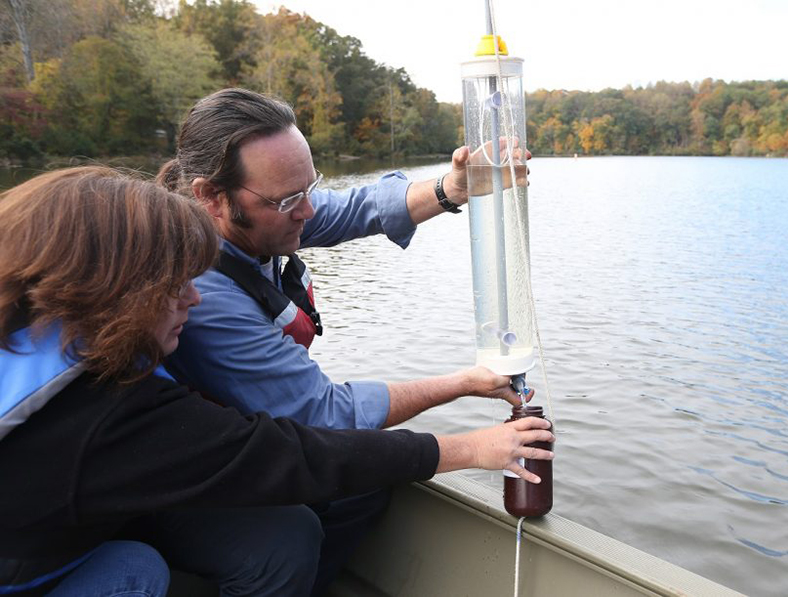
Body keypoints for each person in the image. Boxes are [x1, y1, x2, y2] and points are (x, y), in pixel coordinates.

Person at [0, 167, 554, 596]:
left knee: (283, 537)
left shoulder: (40, 323)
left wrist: (446, 188)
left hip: (82, 511)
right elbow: (291, 452)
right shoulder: (98, 413)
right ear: (109, 292)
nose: (192, 298)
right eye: (173, 285)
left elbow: (338, 212)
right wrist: (468, 447)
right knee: (134, 572)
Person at [159, 88, 531, 590]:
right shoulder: (203, 293)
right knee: (284, 543)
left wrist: (453, 187)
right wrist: (463, 384)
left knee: (364, 485)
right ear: (210, 197)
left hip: (259, 439)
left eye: (309, 186)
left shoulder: (256, 219)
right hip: (177, 476)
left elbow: (354, 207)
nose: (308, 211)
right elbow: (323, 416)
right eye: (290, 199)